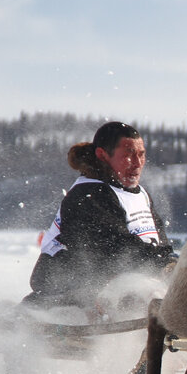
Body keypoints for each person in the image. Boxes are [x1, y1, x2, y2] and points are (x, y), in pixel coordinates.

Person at [24, 121, 175, 308]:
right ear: (102, 155)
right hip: (65, 291)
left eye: (141, 155)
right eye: (128, 155)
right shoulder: (88, 194)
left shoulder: (139, 195)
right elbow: (113, 247)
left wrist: (171, 266)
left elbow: (159, 245)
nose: (137, 163)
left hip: (118, 285)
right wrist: (165, 266)